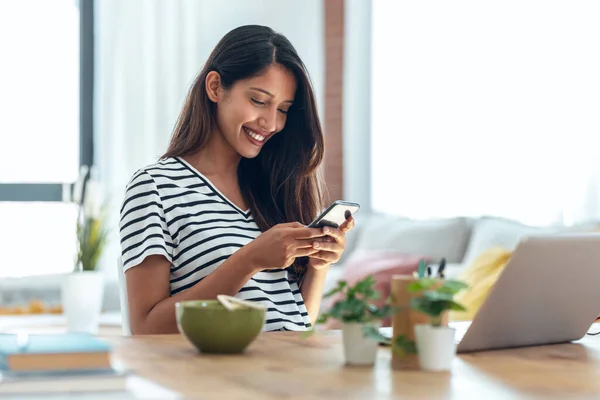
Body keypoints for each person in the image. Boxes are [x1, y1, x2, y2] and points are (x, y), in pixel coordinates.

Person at [119, 25, 354, 334]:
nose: (271, 123)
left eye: (283, 109)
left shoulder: (274, 188)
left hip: (291, 373)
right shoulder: (154, 189)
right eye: (258, 101)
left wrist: (318, 266)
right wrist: (249, 260)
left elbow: (295, 323)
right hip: (223, 380)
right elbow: (146, 329)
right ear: (216, 87)